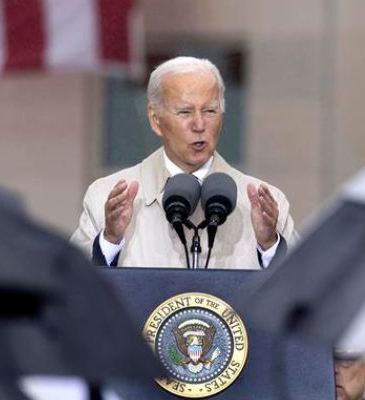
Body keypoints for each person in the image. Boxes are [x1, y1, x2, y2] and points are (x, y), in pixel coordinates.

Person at [70, 56, 297, 268]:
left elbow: (303, 291)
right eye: (185, 112)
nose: (199, 125)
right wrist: (110, 240)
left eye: (210, 111)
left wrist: (269, 246)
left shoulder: (265, 203)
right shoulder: (105, 197)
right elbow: (73, 289)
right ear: (155, 119)